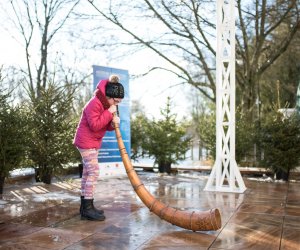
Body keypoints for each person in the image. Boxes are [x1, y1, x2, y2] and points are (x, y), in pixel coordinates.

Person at [73, 74, 124, 221]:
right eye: (116, 101)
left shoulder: (105, 104)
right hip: (86, 142)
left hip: (93, 142)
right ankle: (88, 208)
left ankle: (86, 207)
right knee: (94, 172)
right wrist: (109, 113)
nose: (117, 104)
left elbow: (104, 126)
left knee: (88, 174)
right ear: (109, 96)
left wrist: (113, 122)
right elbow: (95, 125)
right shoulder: (94, 103)